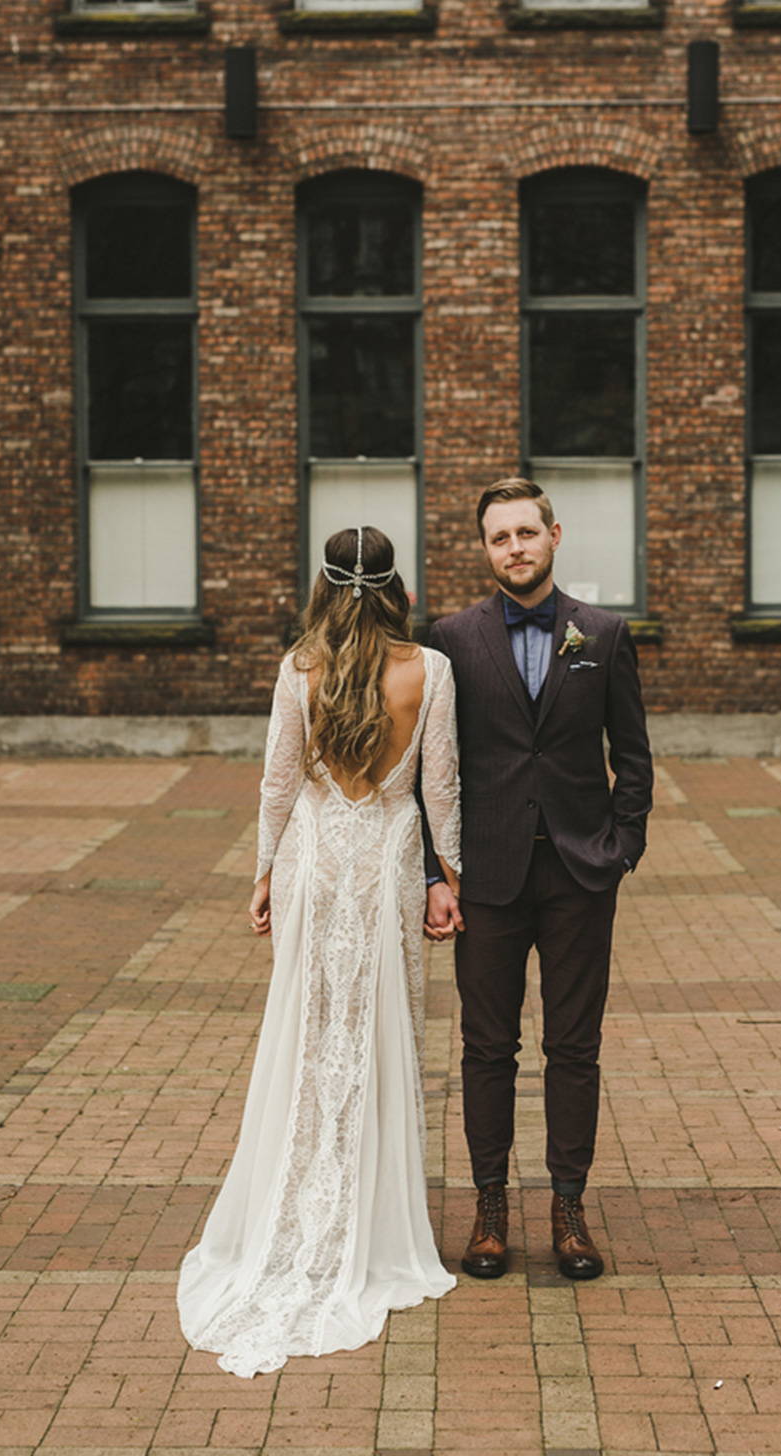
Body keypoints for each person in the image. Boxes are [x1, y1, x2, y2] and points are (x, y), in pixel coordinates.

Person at [179, 526, 461, 1377]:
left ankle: (295, 1202)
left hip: (312, 858)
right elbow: (438, 787)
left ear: (325, 585)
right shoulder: (430, 671)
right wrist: (452, 878)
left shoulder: (299, 667)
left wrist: (262, 873)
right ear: (395, 586)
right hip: (384, 861)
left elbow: (276, 781)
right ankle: (371, 1224)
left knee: (308, 1036)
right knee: (378, 1037)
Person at [425, 477, 652, 1281]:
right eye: (498, 537)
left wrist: (622, 846)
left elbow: (631, 752)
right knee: (486, 1048)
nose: (513, 548)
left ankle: (567, 1209)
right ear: (484, 549)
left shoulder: (602, 633)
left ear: (554, 535)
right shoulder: (449, 639)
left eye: (525, 532)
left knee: (573, 1046)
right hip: (485, 874)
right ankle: (490, 1209)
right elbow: (431, 766)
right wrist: (434, 873)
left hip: (578, 872)